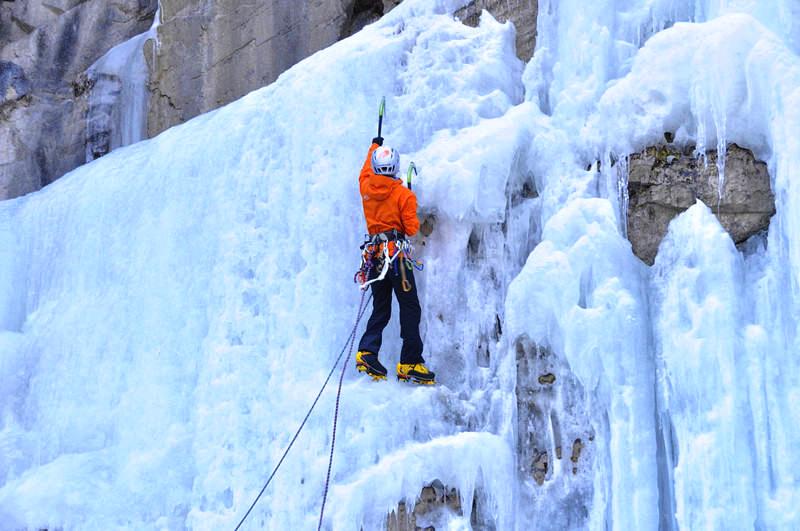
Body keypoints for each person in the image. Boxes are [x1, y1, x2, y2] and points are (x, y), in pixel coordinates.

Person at [355, 136, 435, 385]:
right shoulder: (403, 195)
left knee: (381, 306)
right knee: (410, 306)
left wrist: (373, 147)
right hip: (396, 256)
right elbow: (411, 229)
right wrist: (409, 201)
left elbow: (364, 173)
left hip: (375, 256)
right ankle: (410, 361)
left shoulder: (367, 189)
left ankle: (367, 353)